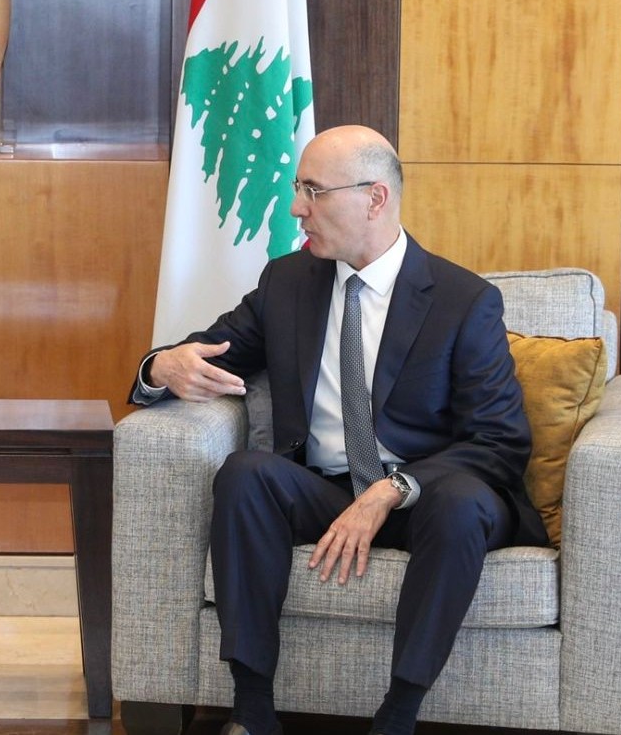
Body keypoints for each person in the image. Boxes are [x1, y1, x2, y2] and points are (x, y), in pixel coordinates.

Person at [132, 125, 544, 735]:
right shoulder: (287, 283)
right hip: (326, 489)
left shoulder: (463, 301)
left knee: (461, 504)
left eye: (313, 191)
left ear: (375, 198)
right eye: (299, 189)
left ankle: (398, 715)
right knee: (246, 474)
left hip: (427, 498)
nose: (297, 208)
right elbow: (209, 353)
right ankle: (251, 711)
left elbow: (500, 442)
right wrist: (161, 367)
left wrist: (390, 490)